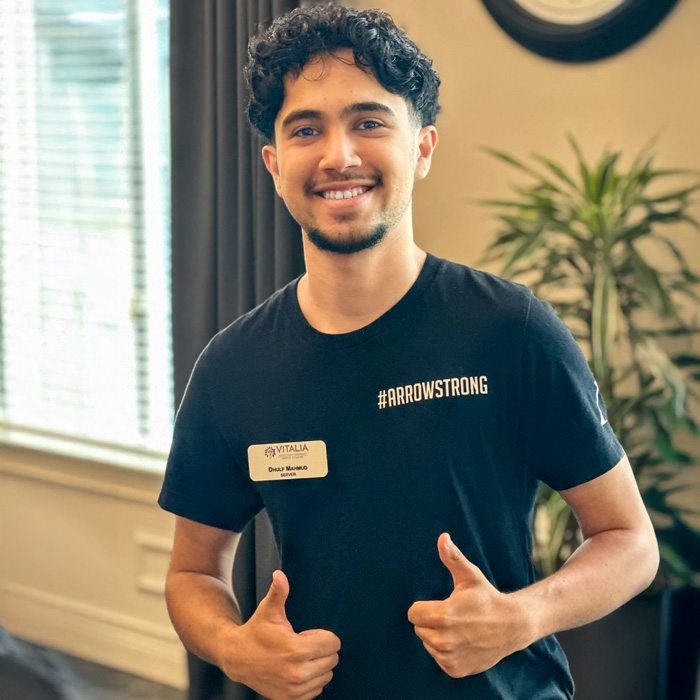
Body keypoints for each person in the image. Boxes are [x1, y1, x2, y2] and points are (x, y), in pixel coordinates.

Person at [158, 5, 659, 699]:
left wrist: (520, 616)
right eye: (307, 129)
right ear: (275, 164)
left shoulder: (512, 332)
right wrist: (236, 649)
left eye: (369, 122)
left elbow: (630, 541)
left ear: (421, 148)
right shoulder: (232, 368)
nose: (339, 155)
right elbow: (193, 573)